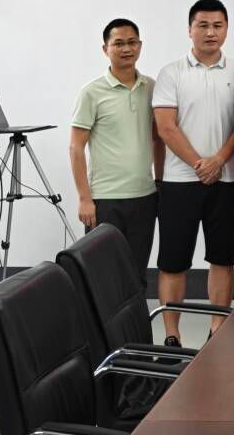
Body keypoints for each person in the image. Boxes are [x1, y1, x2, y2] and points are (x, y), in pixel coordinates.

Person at [152, 0, 234, 346]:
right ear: (190, 29)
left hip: (227, 181)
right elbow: (166, 127)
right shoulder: (172, 72)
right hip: (180, 181)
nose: (211, 32)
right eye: (203, 25)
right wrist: (199, 163)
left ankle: (217, 330)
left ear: (226, 29)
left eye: (217, 26)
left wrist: (218, 160)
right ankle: (172, 335)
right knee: (173, 260)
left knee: (223, 258)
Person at [69, 18, 162, 286]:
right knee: (101, 275)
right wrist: (85, 198)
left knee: (136, 274)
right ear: (105, 49)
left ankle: (135, 316)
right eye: (118, 43)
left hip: (144, 197)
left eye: (132, 42)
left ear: (140, 46)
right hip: (104, 200)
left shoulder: (151, 88)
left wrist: (159, 181)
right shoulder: (91, 92)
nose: (126, 49)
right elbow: (76, 147)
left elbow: (158, 140)